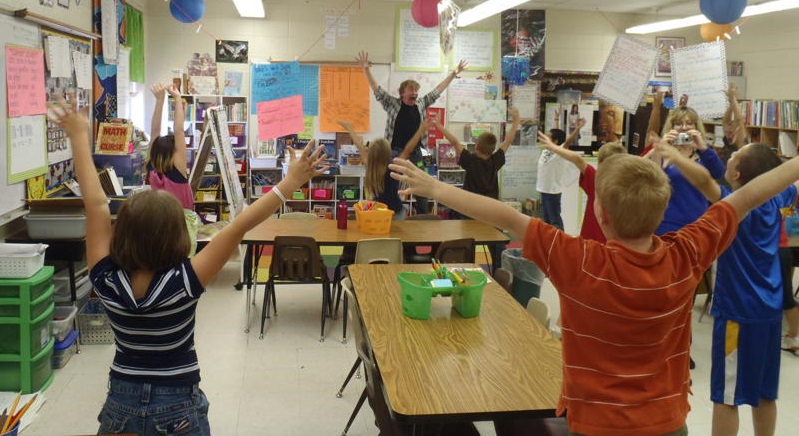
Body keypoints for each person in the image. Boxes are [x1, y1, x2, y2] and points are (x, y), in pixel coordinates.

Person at [387, 138, 799, 435]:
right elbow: (747, 197)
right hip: (668, 423)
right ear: (661, 213)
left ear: (600, 214)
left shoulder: (579, 260)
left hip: (596, 424)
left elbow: (506, 216)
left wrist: (436, 188)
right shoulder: (686, 254)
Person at [47, 96, 328, 436]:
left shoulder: (106, 281)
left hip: (121, 406)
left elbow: (95, 205)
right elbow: (241, 224)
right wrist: (291, 183)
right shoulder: (183, 282)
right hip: (177, 405)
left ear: (121, 234)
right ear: (177, 236)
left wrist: (79, 137)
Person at [656, 140, 798, 436]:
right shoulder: (778, 197)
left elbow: (704, 181)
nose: (729, 157)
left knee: (727, 396)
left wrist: (675, 157)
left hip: (737, 313)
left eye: (734, 155)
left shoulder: (734, 206)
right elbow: (788, 177)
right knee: (765, 393)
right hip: (770, 312)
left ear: (735, 174)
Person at [356, 50, 466, 214]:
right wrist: (366, 69)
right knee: (390, 184)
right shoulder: (393, 104)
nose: (414, 93)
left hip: (417, 153)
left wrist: (453, 74)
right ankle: (389, 212)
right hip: (395, 153)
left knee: (422, 183)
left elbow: (438, 90)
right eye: (411, 90)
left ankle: (422, 215)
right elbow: (377, 90)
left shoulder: (421, 104)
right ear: (402, 93)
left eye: (416, 90)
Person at [537, 129, 625, 243]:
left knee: (554, 219)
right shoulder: (627, 185)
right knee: (548, 218)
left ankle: (556, 242)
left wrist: (552, 146)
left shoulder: (596, 179)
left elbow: (577, 159)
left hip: (590, 241)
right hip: (610, 243)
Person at [145, 83, 200, 256]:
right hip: (181, 220)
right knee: (183, 258)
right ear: (173, 151)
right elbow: (179, 130)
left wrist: (160, 100)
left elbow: (154, 130)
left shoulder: (152, 167)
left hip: (157, 219)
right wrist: (177, 98)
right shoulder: (178, 166)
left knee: (161, 257)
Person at [338, 119, 430, 219]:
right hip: (395, 212)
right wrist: (420, 131)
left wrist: (350, 129)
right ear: (388, 153)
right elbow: (408, 149)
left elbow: (360, 146)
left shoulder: (370, 166)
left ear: (372, 153)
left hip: (378, 212)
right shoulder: (393, 167)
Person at [536, 111, 582, 230]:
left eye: (548, 137)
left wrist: (577, 129)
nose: (545, 138)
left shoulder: (559, 152)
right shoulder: (547, 149)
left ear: (555, 141)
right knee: (546, 221)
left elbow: (567, 141)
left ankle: (560, 240)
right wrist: (556, 120)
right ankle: (549, 240)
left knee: (555, 221)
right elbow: (556, 134)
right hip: (543, 189)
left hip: (552, 191)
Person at [778, 217, 799, 353]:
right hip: (781, 248)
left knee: (786, 297)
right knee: (785, 295)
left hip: (776, 250)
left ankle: (794, 336)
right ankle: (793, 336)